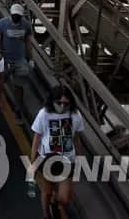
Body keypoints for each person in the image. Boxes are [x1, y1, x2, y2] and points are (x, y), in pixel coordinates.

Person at [30, 85, 85, 219]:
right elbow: (36, 138)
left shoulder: (75, 115)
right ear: (52, 101)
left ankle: (55, 202)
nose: (62, 106)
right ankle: (46, 214)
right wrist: (33, 162)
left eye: (65, 103)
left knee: (64, 198)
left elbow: (77, 138)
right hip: (48, 158)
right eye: (59, 103)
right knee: (47, 191)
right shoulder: (44, 114)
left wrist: (80, 158)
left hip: (68, 159)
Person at [0, 3, 34, 119]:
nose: (16, 17)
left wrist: (31, 58)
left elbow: (28, 42)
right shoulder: (2, 24)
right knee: (0, 81)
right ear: (11, 14)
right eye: (14, 15)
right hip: (5, 59)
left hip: (19, 60)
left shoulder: (26, 25)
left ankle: (18, 108)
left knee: (19, 85)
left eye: (18, 16)